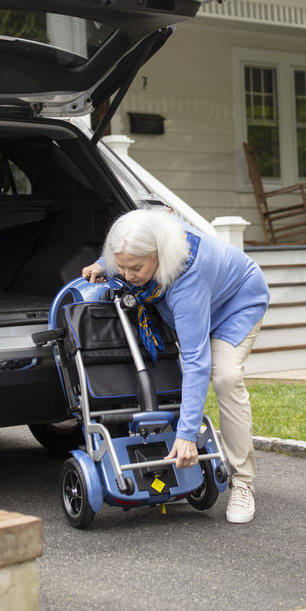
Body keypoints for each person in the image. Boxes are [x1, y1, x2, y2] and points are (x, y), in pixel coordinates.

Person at [82, 208, 269, 524]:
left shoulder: (186, 279)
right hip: (188, 303)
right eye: (122, 267)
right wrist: (104, 264)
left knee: (224, 376)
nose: (127, 276)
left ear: (158, 255)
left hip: (237, 302)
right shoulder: (146, 232)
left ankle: (243, 483)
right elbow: (127, 237)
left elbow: (197, 360)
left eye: (136, 268)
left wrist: (187, 434)